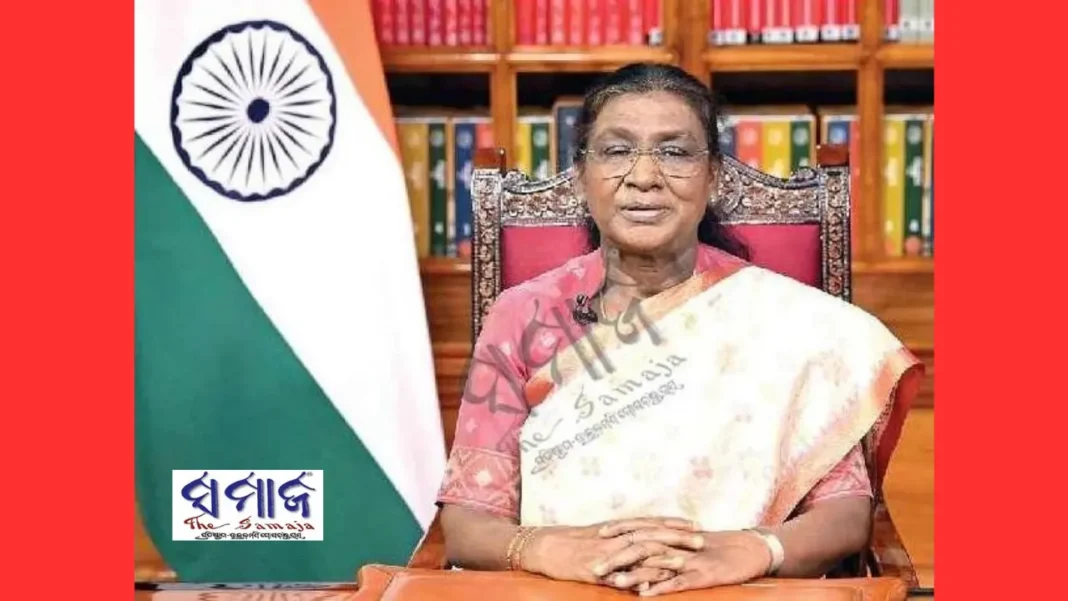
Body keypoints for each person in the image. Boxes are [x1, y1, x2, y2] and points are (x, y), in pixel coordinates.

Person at [434, 63, 923, 597]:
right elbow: (468, 521)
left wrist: (756, 550)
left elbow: (845, 514)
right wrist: (545, 549)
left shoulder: (794, 321)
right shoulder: (523, 316)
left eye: (674, 152)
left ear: (714, 177)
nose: (644, 176)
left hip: (741, 590)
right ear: (580, 176)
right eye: (616, 151)